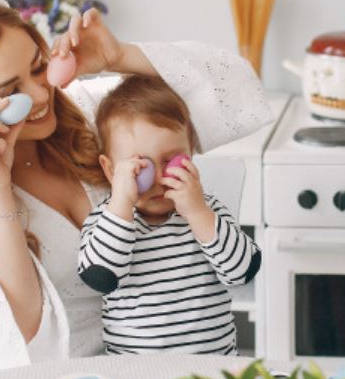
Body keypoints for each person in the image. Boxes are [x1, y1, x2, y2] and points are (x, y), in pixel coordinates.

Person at [0, 0, 270, 377]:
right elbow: (21, 328)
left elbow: (239, 94)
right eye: (13, 91)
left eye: (39, 67)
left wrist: (121, 56)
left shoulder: (93, 117)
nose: (43, 95)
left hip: (165, 376)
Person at [77, 75, 260, 355]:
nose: (159, 178)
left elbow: (243, 271)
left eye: (171, 161)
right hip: (138, 373)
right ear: (111, 169)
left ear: (190, 156)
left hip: (210, 371)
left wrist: (198, 212)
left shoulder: (206, 212)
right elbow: (101, 276)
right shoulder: (107, 221)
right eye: (141, 166)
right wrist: (122, 202)